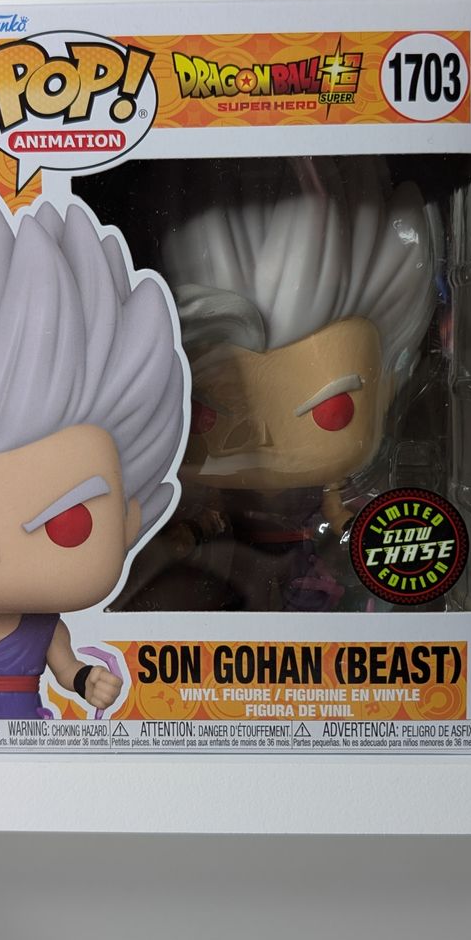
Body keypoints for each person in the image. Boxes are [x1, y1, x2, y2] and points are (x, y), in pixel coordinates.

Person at [118, 156, 436, 612]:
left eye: (330, 410)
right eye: (203, 412)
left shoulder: (330, 490)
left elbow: (344, 522)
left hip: (316, 585)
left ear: (388, 385)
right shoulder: (208, 498)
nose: (263, 438)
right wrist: (185, 533)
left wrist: (356, 532)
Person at [0, 187, 187, 718]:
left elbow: (70, 672)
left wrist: (89, 681)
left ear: (130, 521)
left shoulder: (44, 626)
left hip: (28, 736)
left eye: (68, 524)